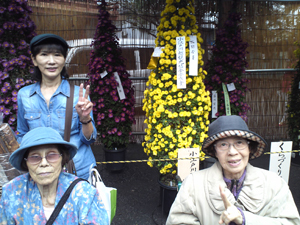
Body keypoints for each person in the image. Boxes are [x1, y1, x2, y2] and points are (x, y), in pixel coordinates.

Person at [166, 115, 300, 225]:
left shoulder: (274, 184)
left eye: (239, 143)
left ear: (250, 148)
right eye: (223, 145)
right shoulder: (193, 184)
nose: (232, 152)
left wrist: (246, 219)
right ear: (215, 151)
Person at [17, 33, 97, 179]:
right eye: (44, 54)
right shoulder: (24, 95)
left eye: (57, 55)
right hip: (41, 173)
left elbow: (89, 139)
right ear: (34, 60)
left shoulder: (79, 96)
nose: (51, 61)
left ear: (64, 59)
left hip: (77, 171)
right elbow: (22, 134)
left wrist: (85, 118)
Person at [0, 127, 109, 224]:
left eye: (52, 155)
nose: (43, 163)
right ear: (26, 162)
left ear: (62, 159)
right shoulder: (11, 192)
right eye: (34, 157)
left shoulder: (85, 194)